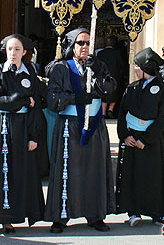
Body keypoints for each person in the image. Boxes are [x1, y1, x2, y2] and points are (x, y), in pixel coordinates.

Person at [44, 28, 116, 234]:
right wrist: (74, 99)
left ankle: (95, 214)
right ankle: (61, 216)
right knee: (67, 170)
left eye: (87, 43)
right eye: (80, 43)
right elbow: (52, 99)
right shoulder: (61, 68)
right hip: (70, 125)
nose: (84, 47)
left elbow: (110, 89)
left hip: (94, 125)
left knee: (94, 169)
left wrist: (102, 69)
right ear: (71, 46)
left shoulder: (97, 66)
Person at [0, 34, 45, 236]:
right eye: (9, 49)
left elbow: (36, 105)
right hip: (2, 126)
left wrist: (33, 136)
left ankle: (9, 218)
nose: (13, 53)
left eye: (17, 49)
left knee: (16, 172)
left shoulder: (30, 72)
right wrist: (22, 99)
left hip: (23, 127)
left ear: (24, 52)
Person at [116, 47, 164, 227]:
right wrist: (125, 136)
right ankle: (133, 211)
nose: (134, 69)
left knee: (152, 176)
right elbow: (122, 113)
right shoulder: (131, 88)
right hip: (131, 139)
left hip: (150, 141)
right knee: (131, 174)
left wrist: (146, 139)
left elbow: (160, 119)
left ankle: (158, 213)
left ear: (146, 68)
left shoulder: (163, 90)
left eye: (137, 65)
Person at [97, 35, 127, 119]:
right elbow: (122, 64)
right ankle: (110, 110)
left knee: (104, 94)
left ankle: (103, 112)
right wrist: (125, 74)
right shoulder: (117, 53)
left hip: (103, 77)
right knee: (114, 94)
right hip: (115, 76)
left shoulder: (100, 53)